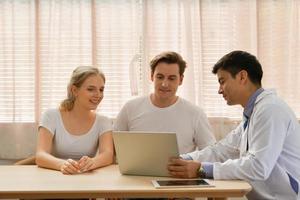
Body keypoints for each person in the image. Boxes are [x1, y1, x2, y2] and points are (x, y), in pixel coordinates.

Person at [168, 50, 300, 199]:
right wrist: (182, 159)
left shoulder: (270, 110)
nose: (219, 90)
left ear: (242, 77)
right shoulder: (253, 113)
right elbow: (221, 150)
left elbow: (258, 167)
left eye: (222, 81)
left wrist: (201, 169)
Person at [114, 51, 216, 154]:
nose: (164, 84)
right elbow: (113, 146)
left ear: (181, 80)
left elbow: (210, 153)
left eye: (171, 78)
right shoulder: (130, 108)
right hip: (135, 170)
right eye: (160, 77)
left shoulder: (195, 113)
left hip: (177, 170)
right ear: (151, 76)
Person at [36, 66, 114, 175]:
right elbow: (40, 155)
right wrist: (62, 165)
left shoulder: (104, 121)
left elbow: (108, 154)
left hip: (85, 179)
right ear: (74, 90)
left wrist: (93, 162)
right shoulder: (50, 116)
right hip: (55, 177)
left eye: (101, 89)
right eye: (91, 89)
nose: (98, 95)